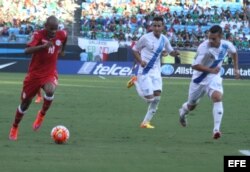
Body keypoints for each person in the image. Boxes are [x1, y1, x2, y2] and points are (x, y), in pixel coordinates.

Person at [9, 16, 67, 141]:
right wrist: (42, 47)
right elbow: (27, 50)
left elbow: (65, 37)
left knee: (50, 90)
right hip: (34, 75)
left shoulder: (61, 34)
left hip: (49, 73)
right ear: (45, 26)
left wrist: (62, 50)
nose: (53, 32)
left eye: (55, 29)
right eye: (51, 29)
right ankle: (14, 127)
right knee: (25, 104)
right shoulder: (38, 35)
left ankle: (41, 114)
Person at [178, 25, 240, 139]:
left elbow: (235, 53)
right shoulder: (203, 47)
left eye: (214, 38)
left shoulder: (226, 45)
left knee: (217, 97)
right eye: (209, 38)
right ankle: (182, 113)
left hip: (213, 77)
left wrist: (236, 69)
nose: (210, 41)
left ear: (220, 36)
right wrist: (210, 69)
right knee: (191, 106)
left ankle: (216, 130)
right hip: (199, 80)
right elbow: (195, 65)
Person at [128, 16, 180, 129]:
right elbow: (135, 50)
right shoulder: (145, 38)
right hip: (145, 71)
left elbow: (170, 52)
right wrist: (141, 60)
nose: (156, 28)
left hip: (156, 71)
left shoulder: (164, 39)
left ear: (163, 27)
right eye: (154, 25)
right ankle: (135, 81)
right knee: (149, 99)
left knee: (157, 99)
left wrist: (175, 53)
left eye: (159, 26)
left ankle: (145, 123)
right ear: (151, 26)